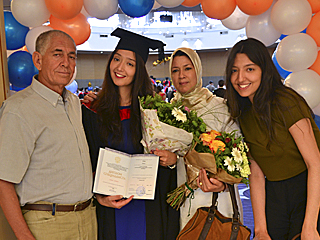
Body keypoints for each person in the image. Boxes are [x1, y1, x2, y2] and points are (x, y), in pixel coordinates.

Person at [81, 28, 180, 240]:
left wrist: (172, 160)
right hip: (110, 206)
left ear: (139, 71)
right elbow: (86, 159)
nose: (120, 67)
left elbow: (171, 162)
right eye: (116, 59)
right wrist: (98, 194)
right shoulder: (94, 111)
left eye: (130, 63)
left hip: (148, 205)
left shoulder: (154, 111)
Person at [0, 30, 97, 240]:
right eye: (57, 54)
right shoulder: (18, 110)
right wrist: (24, 236)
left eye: (72, 56)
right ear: (37, 60)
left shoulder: (73, 103)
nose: (66, 62)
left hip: (87, 218)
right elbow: (3, 181)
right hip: (47, 224)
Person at [225, 38, 320, 240]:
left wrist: (310, 226)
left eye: (249, 69)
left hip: (308, 187)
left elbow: (315, 163)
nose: (240, 77)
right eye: (234, 70)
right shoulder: (242, 113)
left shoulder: (285, 101)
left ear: (263, 70)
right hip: (274, 192)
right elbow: (256, 173)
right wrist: (260, 230)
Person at [168, 47, 243, 229]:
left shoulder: (220, 107)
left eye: (187, 68)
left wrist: (223, 183)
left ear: (198, 69)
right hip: (184, 196)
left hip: (218, 198)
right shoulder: (168, 112)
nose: (181, 76)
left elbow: (239, 154)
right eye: (175, 70)